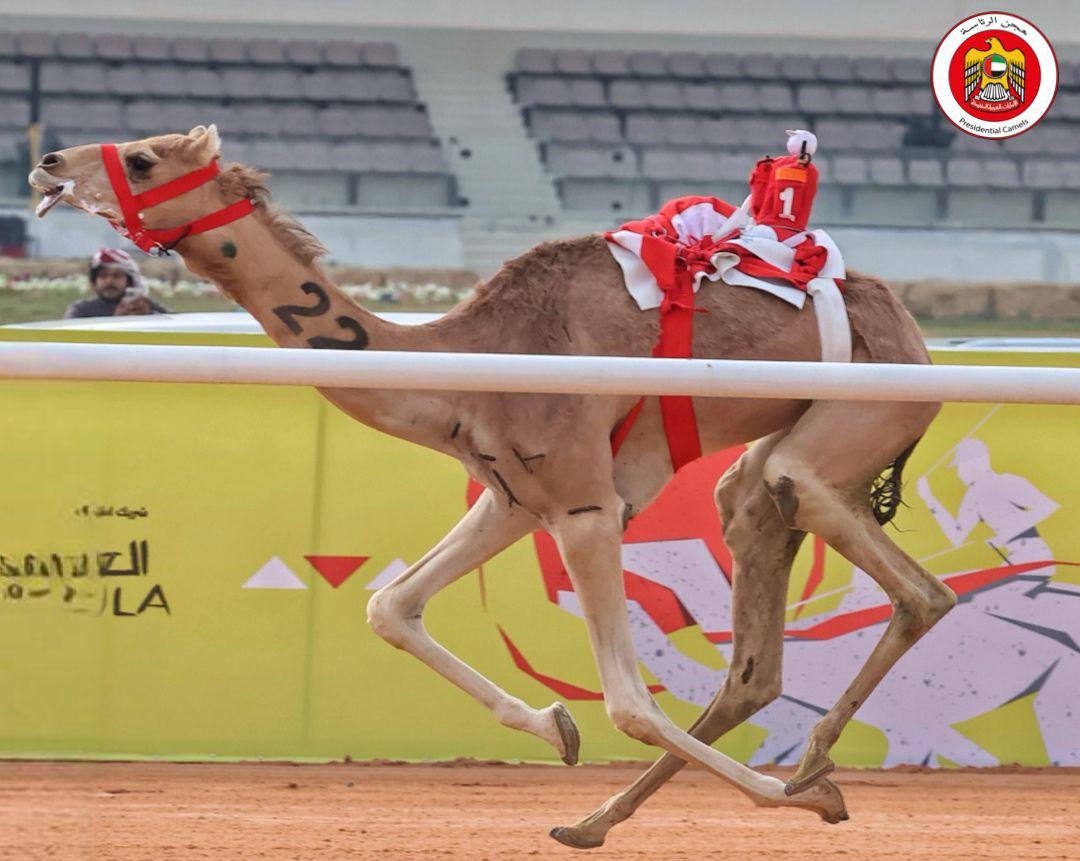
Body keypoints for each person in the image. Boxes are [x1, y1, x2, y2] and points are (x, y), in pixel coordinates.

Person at [63, 248, 170, 318]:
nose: (110, 281)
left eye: (116, 276)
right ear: (94, 282)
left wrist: (150, 316)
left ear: (129, 282)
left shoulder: (144, 305)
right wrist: (116, 321)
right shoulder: (81, 310)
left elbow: (176, 323)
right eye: (103, 276)